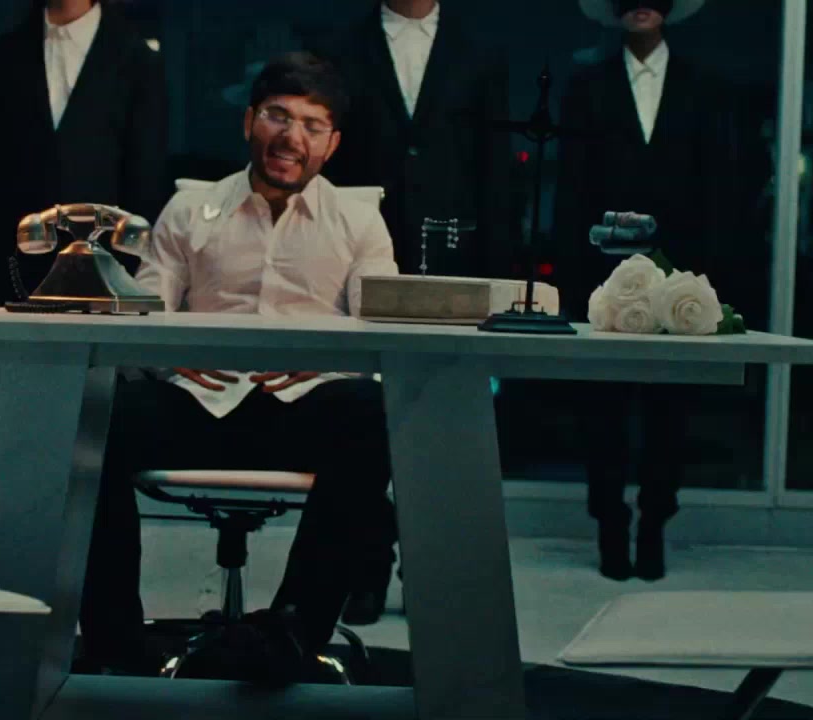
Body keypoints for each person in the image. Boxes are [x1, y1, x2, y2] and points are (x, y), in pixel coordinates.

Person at [78, 52, 399, 684]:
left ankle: (294, 631)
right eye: (278, 116)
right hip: (201, 402)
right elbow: (145, 309)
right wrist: (166, 353)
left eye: (311, 125)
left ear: (331, 144)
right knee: (93, 416)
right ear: (250, 121)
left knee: (373, 411)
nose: (291, 137)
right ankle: (116, 640)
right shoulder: (188, 210)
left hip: (307, 408)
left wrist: (329, 359)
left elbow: (382, 327)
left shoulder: (360, 221)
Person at [306, 0, 512, 623]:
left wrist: (498, 266)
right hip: (358, 249)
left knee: (444, 413)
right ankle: (368, 566)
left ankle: (435, 568)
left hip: (453, 249)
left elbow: (494, 162)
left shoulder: (480, 50)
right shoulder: (339, 43)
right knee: (366, 412)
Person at [555, 0, 738, 581]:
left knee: (669, 411)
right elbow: (570, 186)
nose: (641, 4)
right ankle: (609, 524)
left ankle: (655, 523)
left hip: (683, 272)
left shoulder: (703, 86)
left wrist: (708, 278)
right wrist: (573, 277)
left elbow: (720, 182)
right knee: (602, 410)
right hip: (601, 270)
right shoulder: (587, 85)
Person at [0, 0, 169, 306]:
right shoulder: (0, 57)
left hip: (107, 273)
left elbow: (146, 177)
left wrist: (129, 275)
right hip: (11, 269)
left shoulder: (139, 59)